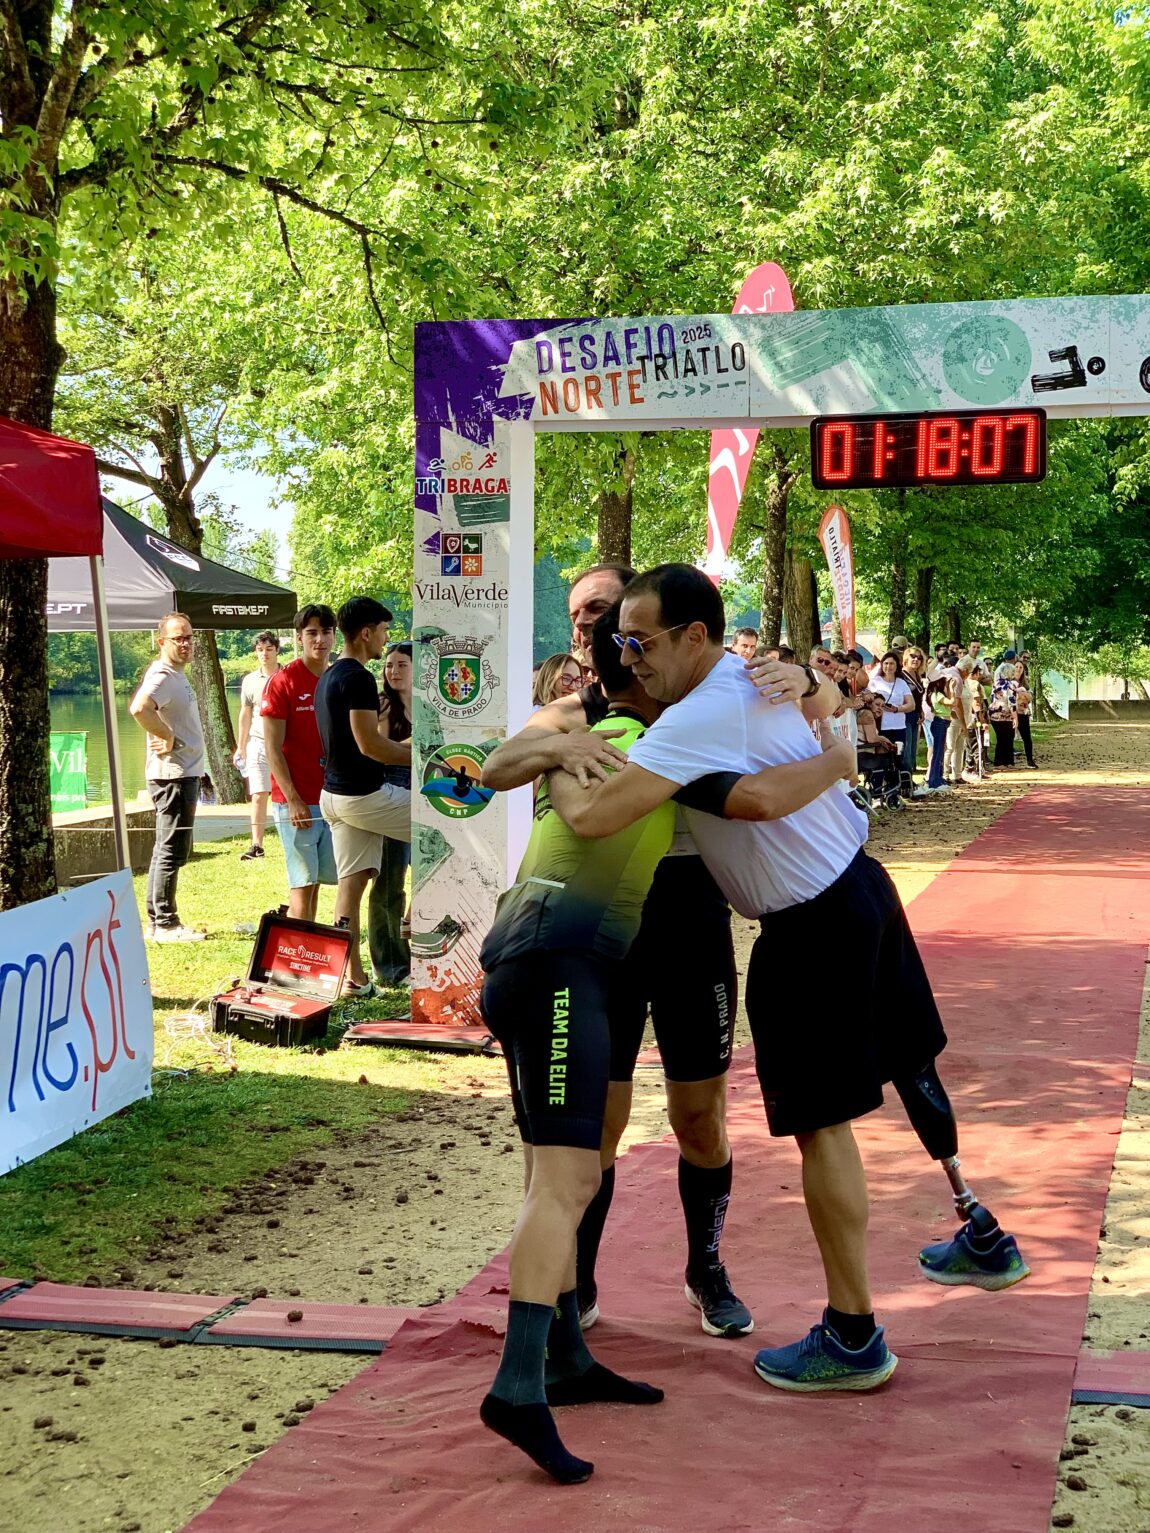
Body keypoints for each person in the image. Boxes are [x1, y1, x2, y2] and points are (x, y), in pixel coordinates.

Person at [548, 564, 1027, 1396]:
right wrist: (821, 701)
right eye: (616, 639)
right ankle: (981, 1230)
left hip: (811, 925)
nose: (627, 656)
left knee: (823, 1127)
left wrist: (560, 755)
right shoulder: (750, 675)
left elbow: (594, 815)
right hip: (861, 886)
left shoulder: (694, 714)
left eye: (640, 641)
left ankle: (853, 1333)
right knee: (910, 1057)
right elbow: (822, 704)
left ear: (695, 636)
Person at [477, 608, 855, 1483]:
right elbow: (737, 800)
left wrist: (815, 685)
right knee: (566, 1178)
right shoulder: (632, 742)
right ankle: (518, 1385)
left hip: (561, 958)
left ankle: (567, 1355)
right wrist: (840, 760)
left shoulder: (640, 743)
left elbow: (523, 772)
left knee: (573, 1169)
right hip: (558, 963)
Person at [316, 596, 412, 996]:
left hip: (333, 797)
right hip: (363, 797)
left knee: (350, 888)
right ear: (366, 632)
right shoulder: (357, 678)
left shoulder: (328, 675)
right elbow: (370, 745)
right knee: (447, 825)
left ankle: (353, 979)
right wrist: (423, 755)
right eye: (384, 631)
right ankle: (423, 929)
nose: (386, 639)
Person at [260, 605, 339, 924]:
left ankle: (306, 944)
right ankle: (297, 950)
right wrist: (292, 800)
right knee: (302, 885)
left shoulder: (337, 677)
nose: (320, 640)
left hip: (331, 798)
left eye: (326, 632)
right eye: (312, 633)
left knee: (315, 882)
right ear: (298, 638)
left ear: (334, 636)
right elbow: (272, 747)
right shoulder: (283, 682)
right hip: (296, 801)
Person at [130, 612, 206, 943]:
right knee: (170, 850)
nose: (186, 643)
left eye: (189, 637)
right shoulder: (162, 675)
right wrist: (167, 735)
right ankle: (164, 923)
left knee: (171, 849)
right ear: (162, 641)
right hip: (173, 776)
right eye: (178, 638)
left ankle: (159, 920)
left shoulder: (175, 674)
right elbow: (139, 708)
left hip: (183, 773)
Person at [367, 642, 413, 986]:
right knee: (389, 882)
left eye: (402, 665)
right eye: (389, 665)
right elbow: (381, 752)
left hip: (428, 786)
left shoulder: (430, 705)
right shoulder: (383, 705)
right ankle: (391, 966)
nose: (393, 672)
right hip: (393, 789)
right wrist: (417, 743)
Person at [234, 630, 281, 862]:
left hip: (284, 745)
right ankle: (256, 845)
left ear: (277, 650)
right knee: (259, 794)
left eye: (269, 649)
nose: (264, 654)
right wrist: (241, 746)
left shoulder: (287, 676)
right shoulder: (250, 681)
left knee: (287, 794)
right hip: (258, 744)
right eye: (260, 650)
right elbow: (245, 713)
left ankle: (294, 838)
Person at [944, 657, 974, 785]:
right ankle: (945, 774)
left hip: (963, 717)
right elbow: (957, 703)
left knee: (960, 747)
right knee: (950, 747)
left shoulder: (961, 678)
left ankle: (957, 774)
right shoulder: (955, 677)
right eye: (969, 672)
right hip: (954, 717)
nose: (968, 675)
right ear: (965, 670)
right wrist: (963, 723)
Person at [923, 673, 954, 793]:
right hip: (939, 722)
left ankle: (938, 778)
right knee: (937, 752)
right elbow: (952, 702)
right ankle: (934, 780)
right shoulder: (937, 695)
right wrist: (951, 688)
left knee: (940, 752)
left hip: (943, 722)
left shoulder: (938, 694)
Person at [900, 646, 926, 784]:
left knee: (912, 750)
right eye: (913, 656)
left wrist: (921, 711)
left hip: (915, 715)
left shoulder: (917, 675)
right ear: (906, 658)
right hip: (904, 715)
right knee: (906, 749)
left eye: (919, 658)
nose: (916, 660)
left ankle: (909, 779)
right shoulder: (902, 675)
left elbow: (918, 696)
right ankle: (905, 780)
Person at [989, 666, 1018, 768]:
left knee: (1001, 739)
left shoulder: (996, 684)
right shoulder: (1010, 685)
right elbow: (1012, 703)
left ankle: (1001, 762)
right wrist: (1016, 718)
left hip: (994, 715)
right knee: (1008, 738)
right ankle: (1006, 762)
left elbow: (992, 698)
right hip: (1005, 715)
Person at [1015, 662, 1037, 767]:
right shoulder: (1009, 681)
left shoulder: (1025, 683)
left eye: (1021, 667)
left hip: (1023, 712)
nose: (1018, 669)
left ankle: (1030, 760)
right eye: (1016, 667)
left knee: (1027, 737)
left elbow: (1030, 697)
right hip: (1011, 712)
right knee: (1008, 737)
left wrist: (1023, 694)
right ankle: (1006, 761)